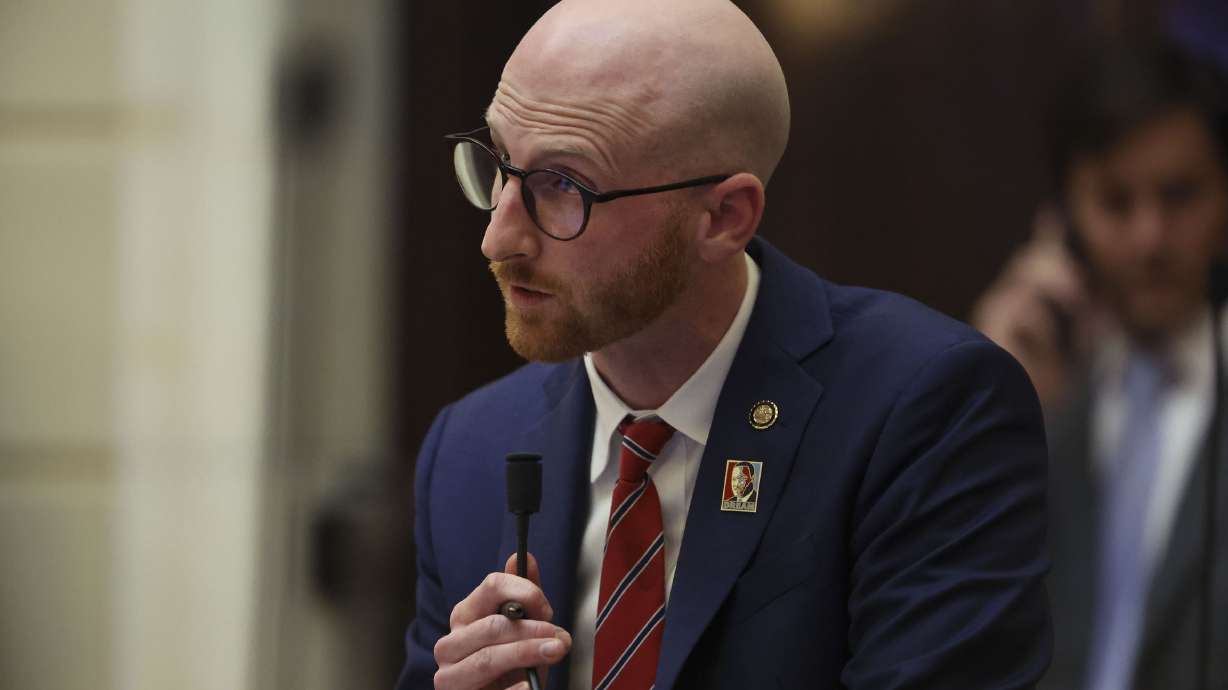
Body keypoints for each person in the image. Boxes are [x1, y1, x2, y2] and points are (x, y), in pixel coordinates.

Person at [398, 1, 1051, 688]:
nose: (497, 239)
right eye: (500, 164)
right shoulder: (469, 450)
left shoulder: (930, 413)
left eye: (563, 184)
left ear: (723, 217)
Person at [972, 40, 1228, 689]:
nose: (1150, 238)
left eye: (1180, 196)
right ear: (1064, 221)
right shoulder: (1044, 404)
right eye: (1116, 202)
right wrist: (988, 416)